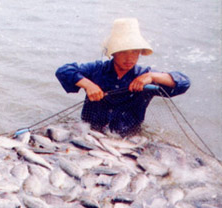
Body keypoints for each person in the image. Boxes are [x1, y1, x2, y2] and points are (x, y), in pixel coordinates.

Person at [56, 18, 190, 136]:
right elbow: (64, 71)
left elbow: (183, 82)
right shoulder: (96, 69)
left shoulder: (144, 76)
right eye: (123, 52)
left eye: (135, 52)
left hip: (127, 137)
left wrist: (152, 76)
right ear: (113, 52)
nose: (129, 58)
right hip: (90, 132)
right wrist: (88, 85)